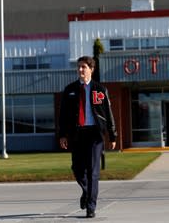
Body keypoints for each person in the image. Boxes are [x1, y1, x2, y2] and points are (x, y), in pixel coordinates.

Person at [59, 56, 117, 218]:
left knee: (93, 171)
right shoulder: (70, 90)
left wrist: (112, 135)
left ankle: (91, 206)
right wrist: (62, 134)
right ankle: (86, 191)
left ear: (91, 69)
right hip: (77, 134)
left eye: (84, 67)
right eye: (78, 67)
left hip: (95, 134)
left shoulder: (100, 90)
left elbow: (108, 114)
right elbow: (63, 115)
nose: (80, 70)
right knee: (77, 169)